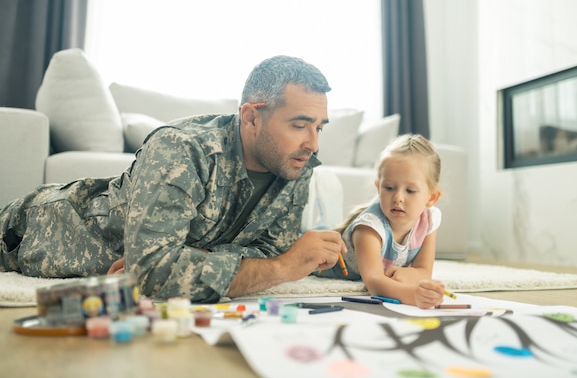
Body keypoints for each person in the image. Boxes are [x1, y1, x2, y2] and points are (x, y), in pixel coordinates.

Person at [0, 55, 347, 303]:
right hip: (30, 231)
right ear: (251, 118)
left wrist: (190, 256)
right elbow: (150, 274)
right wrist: (283, 268)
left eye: (319, 127)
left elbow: (266, 249)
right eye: (300, 125)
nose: (312, 143)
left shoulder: (295, 164)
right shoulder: (181, 148)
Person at [316, 134, 445, 308]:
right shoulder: (369, 228)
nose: (398, 197)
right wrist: (412, 295)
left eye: (410, 190)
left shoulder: (428, 220)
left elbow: (424, 271)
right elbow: (374, 282)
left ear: (431, 197)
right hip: (323, 259)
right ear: (379, 187)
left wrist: (409, 274)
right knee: (295, 244)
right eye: (389, 188)